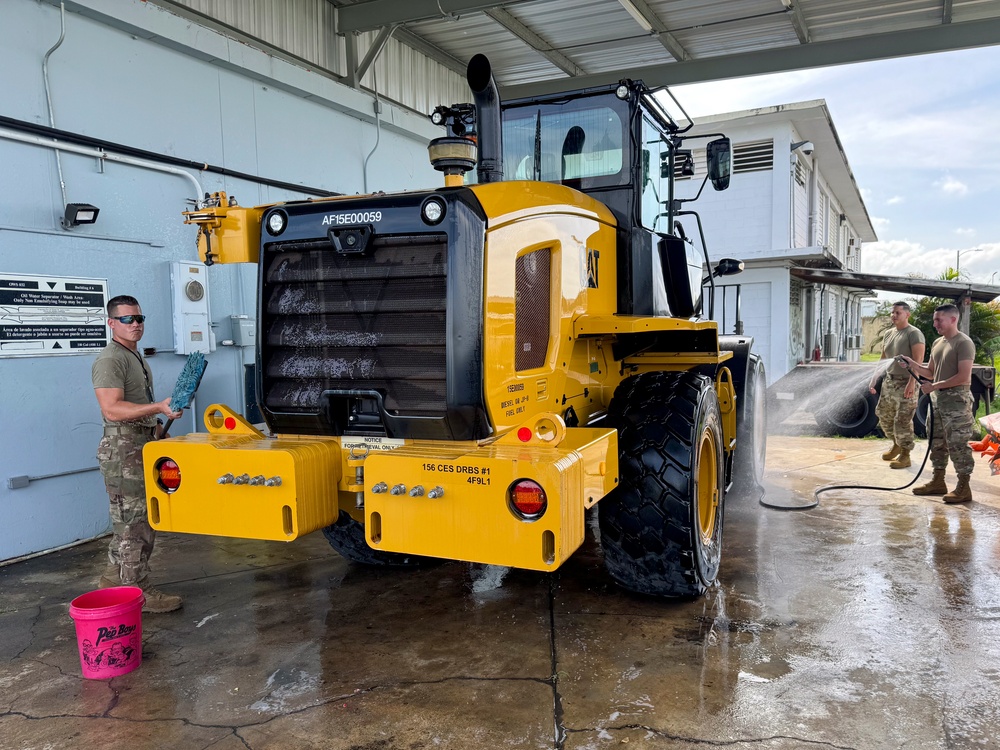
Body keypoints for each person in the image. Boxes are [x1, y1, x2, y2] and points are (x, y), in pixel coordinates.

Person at [92, 295, 184, 612]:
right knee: (135, 524)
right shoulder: (110, 360)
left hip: (139, 444)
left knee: (130, 522)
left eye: (139, 318)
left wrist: (159, 425)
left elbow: (135, 410)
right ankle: (137, 593)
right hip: (124, 449)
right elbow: (112, 409)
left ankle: (109, 584)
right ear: (112, 323)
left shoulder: (135, 357)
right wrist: (158, 406)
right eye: (128, 319)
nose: (136, 324)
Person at [897, 303, 977, 503]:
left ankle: (963, 487)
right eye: (934, 319)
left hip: (957, 401)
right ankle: (938, 481)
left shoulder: (963, 343)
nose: (935, 324)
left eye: (938, 320)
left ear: (953, 319)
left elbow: (963, 376)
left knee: (958, 444)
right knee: (937, 442)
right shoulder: (937, 343)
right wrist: (912, 364)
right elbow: (930, 372)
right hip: (938, 400)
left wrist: (935, 385)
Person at [869, 301, 925, 469]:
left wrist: (911, 383)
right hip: (890, 381)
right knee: (883, 414)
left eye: (897, 313)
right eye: (892, 313)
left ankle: (906, 454)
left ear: (907, 314)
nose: (893, 315)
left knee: (903, 419)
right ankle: (896, 444)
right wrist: (874, 378)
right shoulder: (889, 333)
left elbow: (918, 361)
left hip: (906, 382)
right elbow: (883, 358)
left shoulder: (914, 333)